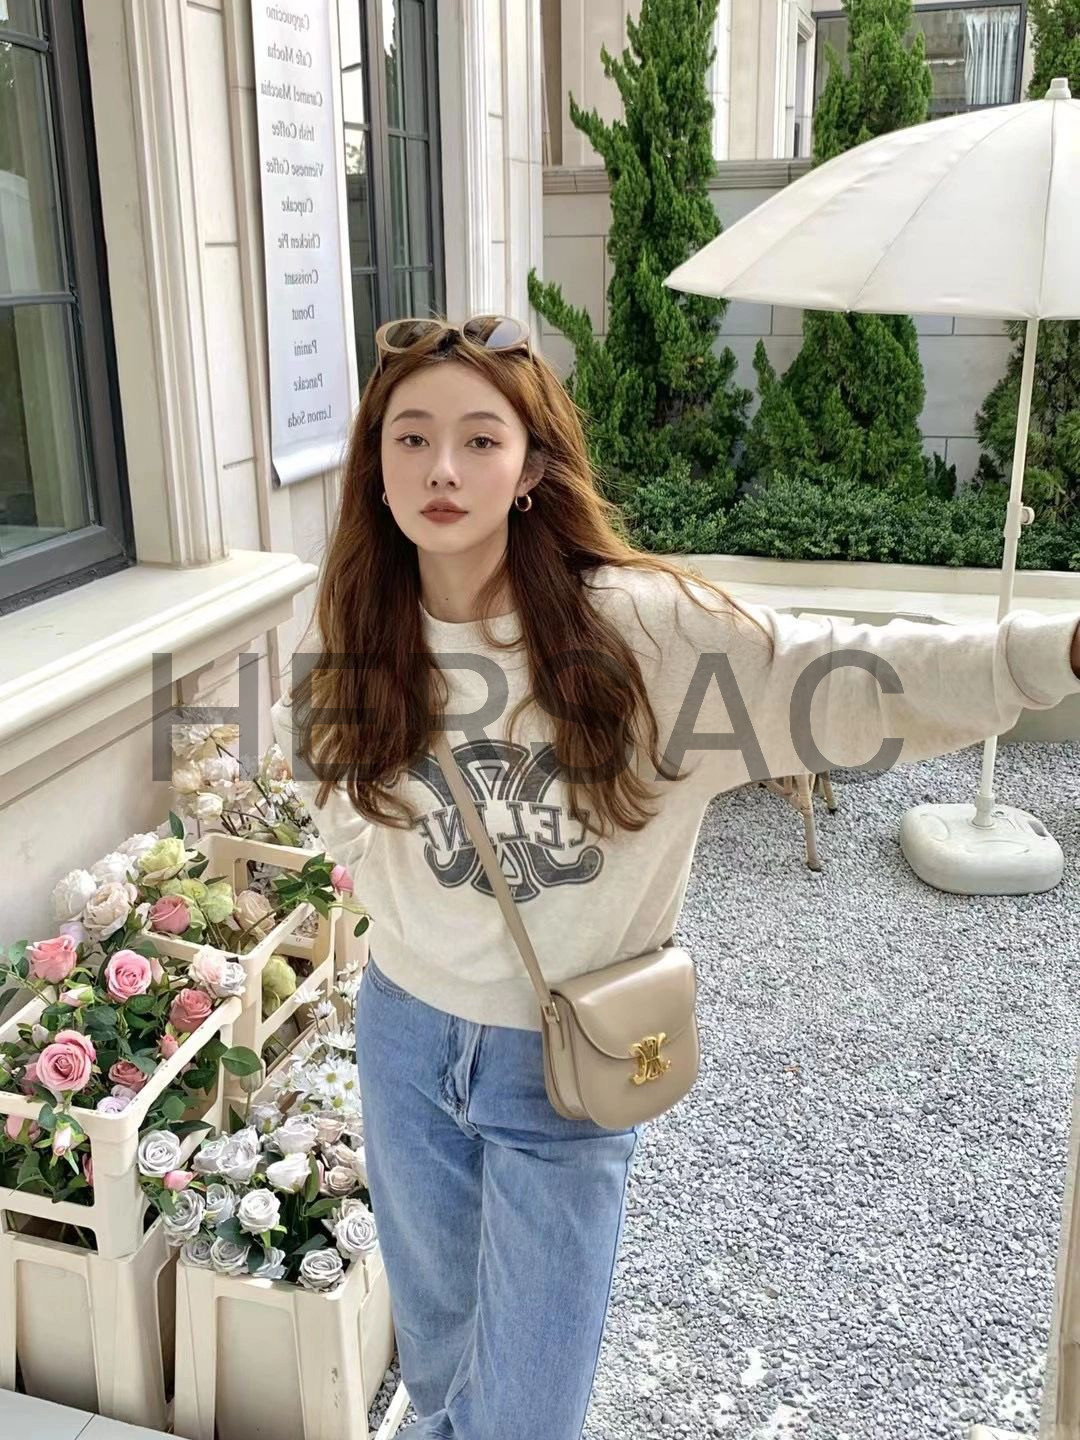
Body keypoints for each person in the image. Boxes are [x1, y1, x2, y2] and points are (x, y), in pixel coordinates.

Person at [270, 313, 1080, 1440]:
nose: (441, 469)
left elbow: (846, 678)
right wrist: (380, 882)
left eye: (480, 440)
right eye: (410, 438)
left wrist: (1049, 651)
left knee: (523, 1418)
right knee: (443, 1374)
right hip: (405, 1037)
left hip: (560, 1062)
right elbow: (321, 763)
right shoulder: (360, 625)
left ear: (532, 469)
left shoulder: (644, 633)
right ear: (376, 463)